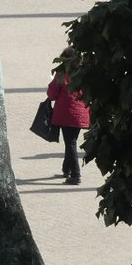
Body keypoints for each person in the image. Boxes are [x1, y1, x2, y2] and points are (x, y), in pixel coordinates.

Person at [47, 47, 90, 186]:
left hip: (66, 114)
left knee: (70, 143)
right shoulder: (85, 73)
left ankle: (76, 175)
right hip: (81, 113)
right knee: (71, 141)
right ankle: (67, 169)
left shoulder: (62, 73)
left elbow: (52, 95)